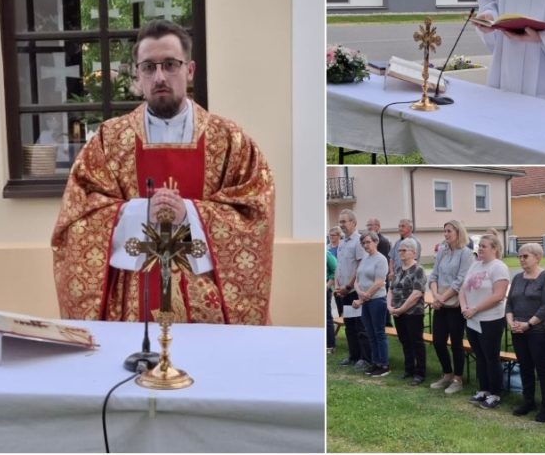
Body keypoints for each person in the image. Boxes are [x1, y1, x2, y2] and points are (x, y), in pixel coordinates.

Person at [52, 20, 275, 325]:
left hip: (208, 306)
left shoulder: (229, 141)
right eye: (148, 67)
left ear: (190, 70)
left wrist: (190, 214)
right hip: (132, 306)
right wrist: (140, 212)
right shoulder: (109, 141)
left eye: (170, 65)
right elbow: (78, 216)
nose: (159, 77)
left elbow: (254, 210)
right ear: (138, 75)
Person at [459, 233, 511, 410]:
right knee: (479, 356)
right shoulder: (475, 264)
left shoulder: (498, 267)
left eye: (484, 246)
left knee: (491, 357)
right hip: (472, 318)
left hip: (490, 319)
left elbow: (498, 295)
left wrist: (475, 309)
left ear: (494, 249)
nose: (480, 249)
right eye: (479, 246)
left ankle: (495, 393)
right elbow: (463, 288)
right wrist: (464, 307)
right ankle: (484, 389)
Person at [506, 243, 545, 422]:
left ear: (538, 257)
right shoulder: (517, 277)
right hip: (518, 329)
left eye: (525, 256)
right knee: (525, 366)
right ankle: (528, 401)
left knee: (542, 369)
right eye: (519, 256)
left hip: (539, 330)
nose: (521, 259)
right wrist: (511, 322)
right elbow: (509, 303)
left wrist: (528, 324)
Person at [427, 220, 475, 395]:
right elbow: (433, 275)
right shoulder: (442, 251)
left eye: (449, 231)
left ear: (458, 232)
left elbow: (460, 280)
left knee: (456, 343)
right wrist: (436, 296)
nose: (446, 234)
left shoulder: (466, 254)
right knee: (438, 341)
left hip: (455, 304)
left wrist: (442, 298)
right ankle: (447, 374)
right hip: (440, 302)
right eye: (444, 231)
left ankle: (458, 379)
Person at [388, 237, 427, 385]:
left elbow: (417, 293)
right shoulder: (398, 269)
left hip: (413, 313)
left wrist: (401, 309)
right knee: (404, 341)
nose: (400, 253)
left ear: (413, 253)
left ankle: (420, 373)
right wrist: (389, 306)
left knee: (416, 342)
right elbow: (391, 289)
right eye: (399, 250)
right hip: (398, 311)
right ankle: (409, 369)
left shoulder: (418, 270)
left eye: (404, 250)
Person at [335, 210, 370, 367]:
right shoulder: (342, 242)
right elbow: (340, 266)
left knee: (359, 325)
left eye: (344, 221)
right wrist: (338, 286)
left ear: (354, 223)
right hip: (344, 291)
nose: (341, 224)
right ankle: (353, 355)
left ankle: (365, 357)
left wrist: (348, 285)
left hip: (354, 291)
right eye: (340, 222)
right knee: (349, 325)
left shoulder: (358, 241)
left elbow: (360, 266)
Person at [354, 231, 389, 376]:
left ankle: (384, 364)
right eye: (363, 243)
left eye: (368, 242)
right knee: (370, 332)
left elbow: (379, 282)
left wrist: (364, 296)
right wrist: (359, 292)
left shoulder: (381, 259)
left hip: (376, 300)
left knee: (379, 332)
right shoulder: (364, 258)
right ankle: (375, 362)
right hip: (365, 300)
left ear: (376, 242)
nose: (365, 245)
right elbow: (357, 279)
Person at [326, 248, 337, 354]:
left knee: (327, 317)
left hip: (325, 288)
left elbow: (335, 270)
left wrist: (327, 286)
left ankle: (330, 345)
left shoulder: (327, 254)